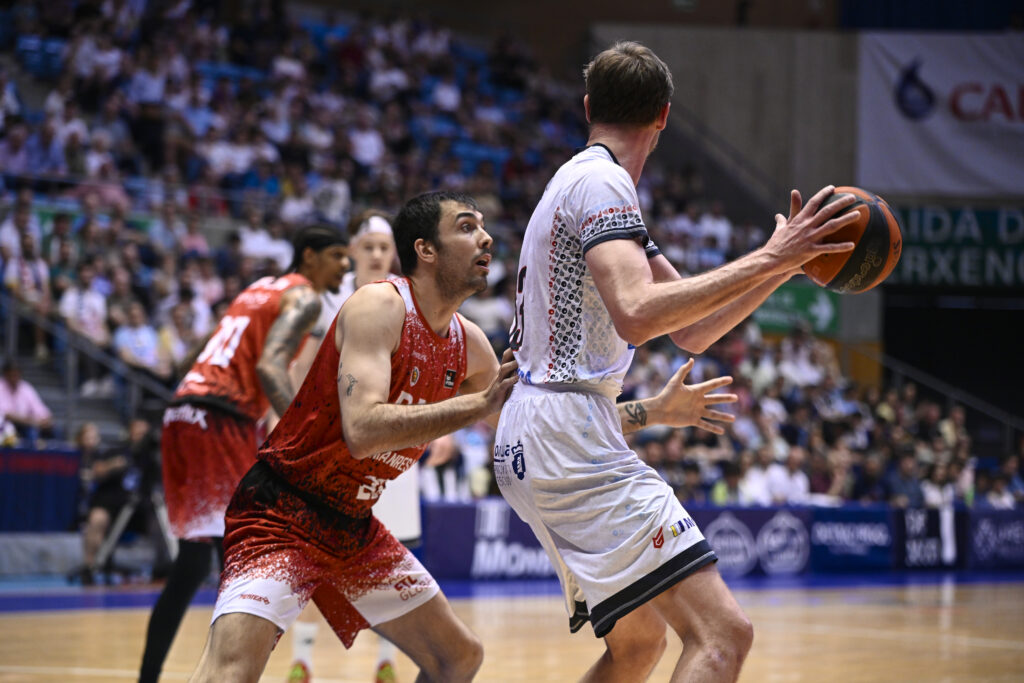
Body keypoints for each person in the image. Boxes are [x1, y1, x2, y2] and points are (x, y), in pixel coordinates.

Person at [186, 190, 735, 683]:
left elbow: (548, 430)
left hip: (350, 526)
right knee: (230, 673)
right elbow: (362, 429)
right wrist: (473, 405)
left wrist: (656, 412)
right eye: (467, 226)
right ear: (426, 250)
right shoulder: (379, 304)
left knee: (458, 658)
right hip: (283, 511)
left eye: (484, 227)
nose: (487, 237)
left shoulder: (469, 345)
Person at [493, 41, 860, 682]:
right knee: (723, 636)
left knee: (637, 648)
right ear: (664, 117)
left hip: (540, 432)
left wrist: (785, 264)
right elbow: (638, 311)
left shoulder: (583, 184)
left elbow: (690, 331)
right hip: (567, 435)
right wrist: (771, 258)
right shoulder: (603, 183)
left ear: (588, 108)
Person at [138, 224, 349, 683]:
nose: (346, 265)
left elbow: (207, 348)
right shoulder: (305, 298)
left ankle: (150, 678)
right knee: (245, 560)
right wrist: (300, 435)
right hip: (220, 418)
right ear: (309, 257)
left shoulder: (258, 288)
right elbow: (269, 363)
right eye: (338, 255)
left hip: (182, 412)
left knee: (192, 563)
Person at [283, 209, 409, 683]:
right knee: (314, 564)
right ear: (353, 251)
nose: (377, 255)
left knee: (388, 565)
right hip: (328, 450)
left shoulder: (405, 302)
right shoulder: (329, 301)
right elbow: (296, 373)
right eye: (369, 247)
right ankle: (303, 662)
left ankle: (387, 663)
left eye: (384, 248)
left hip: (391, 446)